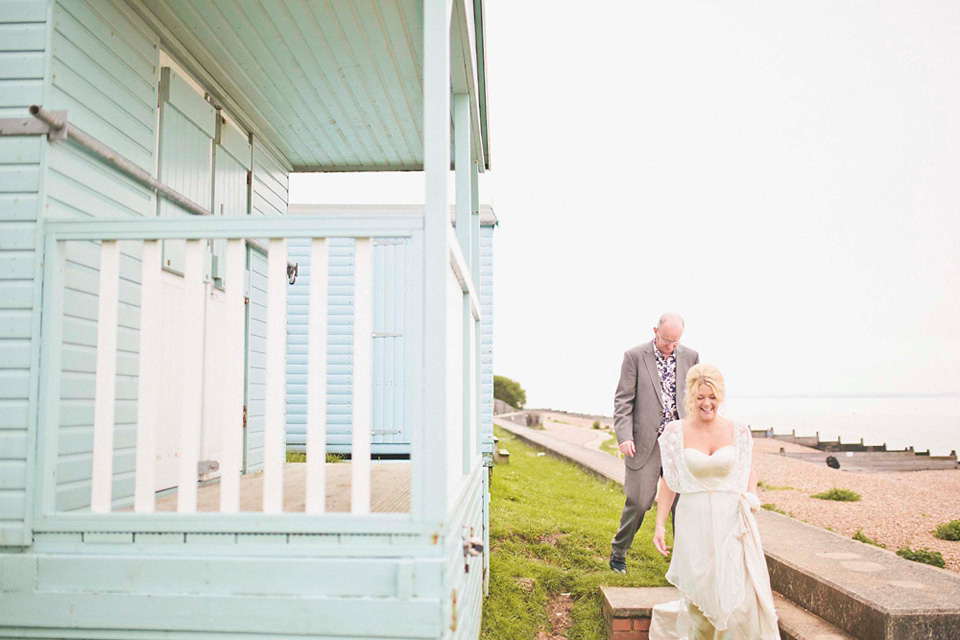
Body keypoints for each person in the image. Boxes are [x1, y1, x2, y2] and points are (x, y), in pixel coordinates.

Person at [649, 364, 781, 639]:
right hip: (692, 520)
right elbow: (669, 482)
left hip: (731, 521)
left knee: (736, 598)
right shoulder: (676, 432)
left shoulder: (738, 431)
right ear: (691, 398)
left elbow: (748, 471)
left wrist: (751, 498)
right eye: (700, 398)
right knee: (699, 600)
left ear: (720, 396)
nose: (706, 403)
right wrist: (660, 525)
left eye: (712, 397)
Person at [610, 313, 699, 573]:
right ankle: (619, 551)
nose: (671, 346)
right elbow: (623, 401)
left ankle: (682, 563)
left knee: (682, 505)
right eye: (666, 340)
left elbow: (693, 398)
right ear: (655, 331)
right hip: (645, 443)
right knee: (639, 502)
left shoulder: (691, 356)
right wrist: (624, 436)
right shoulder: (634, 356)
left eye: (676, 341)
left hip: (680, 443)